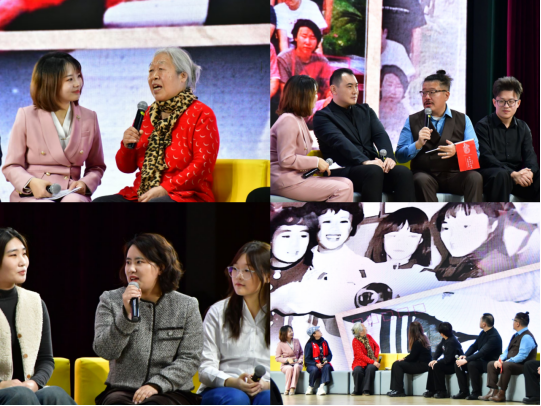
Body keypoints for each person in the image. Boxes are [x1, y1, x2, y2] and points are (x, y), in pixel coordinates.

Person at [94, 47, 219, 203]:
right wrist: (126, 146)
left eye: (161, 69)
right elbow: (125, 168)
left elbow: (202, 165)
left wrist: (166, 188)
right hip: (141, 194)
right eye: (151, 71)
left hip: (185, 195)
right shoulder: (146, 114)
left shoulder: (202, 114)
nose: (154, 76)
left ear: (182, 76)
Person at [93, 233, 203, 405]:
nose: (131, 269)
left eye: (139, 262)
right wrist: (126, 317)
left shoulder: (186, 305)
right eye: (128, 262)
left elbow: (190, 358)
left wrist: (156, 384)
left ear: (161, 267)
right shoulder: (110, 300)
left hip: (170, 391)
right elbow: (105, 351)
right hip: (122, 390)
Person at [2, 52, 106, 202]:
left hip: (71, 192)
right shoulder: (26, 115)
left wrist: (85, 183)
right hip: (34, 194)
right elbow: (11, 166)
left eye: (79, 76)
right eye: (70, 79)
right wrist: (31, 183)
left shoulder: (90, 117)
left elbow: (96, 166)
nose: (78, 83)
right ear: (50, 83)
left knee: (74, 202)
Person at [313, 68, 415, 202]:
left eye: (356, 86)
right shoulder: (322, 117)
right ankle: (369, 215)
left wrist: (389, 159)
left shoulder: (365, 110)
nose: (355, 91)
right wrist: (365, 161)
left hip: (373, 168)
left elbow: (381, 135)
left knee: (403, 172)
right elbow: (340, 142)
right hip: (342, 170)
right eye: (349, 87)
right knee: (373, 171)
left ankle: (405, 214)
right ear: (334, 89)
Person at [0, 228, 76, 405]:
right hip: (8, 394)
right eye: (13, 255)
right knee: (21, 396)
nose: (23, 262)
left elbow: (45, 360)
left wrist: (33, 383)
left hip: (26, 392)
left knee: (55, 394)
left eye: (24, 254)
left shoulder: (35, 302)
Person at [198, 242, 271, 405]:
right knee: (237, 398)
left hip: (266, 388)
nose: (238, 276)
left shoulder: (279, 315)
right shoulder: (218, 312)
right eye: (235, 269)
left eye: (247, 270)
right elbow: (205, 369)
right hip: (223, 388)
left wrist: (266, 385)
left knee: (268, 398)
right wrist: (233, 382)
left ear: (268, 276)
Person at [396, 70, 483, 202]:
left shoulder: (463, 119)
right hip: (426, 175)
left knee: (474, 177)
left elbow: (475, 154)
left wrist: (457, 151)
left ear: (446, 95)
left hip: (455, 175)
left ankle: (472, 214)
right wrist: (417, 145)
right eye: (424, 92)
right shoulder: (413, 120)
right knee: (420, 180)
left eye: (432, 92)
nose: (427, 97)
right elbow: (400, 156)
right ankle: (432, 216)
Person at [270, 75, 354, 202]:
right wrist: (316, 162)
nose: (317, 97)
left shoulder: (298, 119)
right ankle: (326, 213)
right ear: (303, 96)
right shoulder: (288, 120)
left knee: (347, 183)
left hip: (296, 177)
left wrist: (313, 166)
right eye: (314, 93)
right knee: (342, 189)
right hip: (284, 181)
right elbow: (286, 159)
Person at [475, 76, 540, 202]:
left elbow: (530, 156)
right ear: (494, 102)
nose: (506, 106)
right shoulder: (483, 126)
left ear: (518, 103)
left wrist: (529, 173)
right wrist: (512, 173)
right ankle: (499, 215)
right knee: (501, 175)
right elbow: (486, 157)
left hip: (517, 177)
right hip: (492, 176)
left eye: (511, 101)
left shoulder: (523, 127)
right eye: (501, 101)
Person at [430, 203, 515, 281]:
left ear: (492, 225)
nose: (453, 234)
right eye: (446, 227)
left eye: (465, 226)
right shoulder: (443, 268)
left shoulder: (500, 269)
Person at [481, 312, 538, 402]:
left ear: (517, 323)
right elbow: (506, 351)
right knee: (492, 364)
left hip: (523, 365)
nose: (513, 323)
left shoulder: (527, 336)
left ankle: (501, 393)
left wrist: (507, 361)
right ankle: (493, 391)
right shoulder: (515, 335)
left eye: (513, 321)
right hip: (512, 363)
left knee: (506, 365)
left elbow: (522, 356)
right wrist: (499, 360)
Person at [277, 19, 333, 100]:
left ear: (317, 41)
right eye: (304, 36)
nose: (307, 42)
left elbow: (329, 88)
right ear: (295, 37)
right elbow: (285, 93)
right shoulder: (284, 59)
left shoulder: (322, 61)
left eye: (312, 37)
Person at [453, 313, 503, 400]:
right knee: (458, 364)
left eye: (480, 321)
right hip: (481, 360)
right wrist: (465, 356)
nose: (479, 322)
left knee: (472, 364)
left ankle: (476, 392)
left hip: (490, 363)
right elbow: (474, 346)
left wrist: (467, 360)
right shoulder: (483, 333)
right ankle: (463, 392)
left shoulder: (494, 337)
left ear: (484, 324)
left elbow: (482, 352)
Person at [387, 321, 432, 397]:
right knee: (397, 364)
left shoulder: (418, 342)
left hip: (422, 365)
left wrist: (404, 359)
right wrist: (404, 359)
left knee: (397, 364)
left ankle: (399, 390)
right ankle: (396, 389)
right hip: (424, 364)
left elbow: (412, 357)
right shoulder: (423, 339)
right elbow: (413, 355)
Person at [424, 322, 464, 399]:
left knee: (437, 366)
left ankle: (442, 391)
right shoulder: (445, 339)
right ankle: (431, 390)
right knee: (431, 365)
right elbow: (439, 349)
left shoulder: (452, 341)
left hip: (454, 365)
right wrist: (434, 359)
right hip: (448, 362)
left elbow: (449, 359)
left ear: (442, 333)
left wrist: (437, 362)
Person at [379, 65, 411, 146]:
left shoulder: (406, 115)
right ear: (380, 86)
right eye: (389, 85)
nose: (393, 91)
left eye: (398, 86)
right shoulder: (371, 108)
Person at [350, 323, 380, 396]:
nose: (365, 327)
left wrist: (375, 357)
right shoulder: (355, 341)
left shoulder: (369, 337)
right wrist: (373, 362)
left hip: (371, 361)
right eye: (363, 327)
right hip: (359, 362)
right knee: (357, 370)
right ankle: (357, 390)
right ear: (360, 331)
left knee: (370, 368)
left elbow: (377, 347)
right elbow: (361, 356)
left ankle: (366, 390)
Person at [304, 326, 333, 396]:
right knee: (314, 369)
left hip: (323, 363)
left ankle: (321, 387)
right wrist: (316, 364)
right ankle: (310, 387)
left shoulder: (325, 342)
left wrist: (327, 360)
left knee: (327, 366)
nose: (320, 331)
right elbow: (307, 359)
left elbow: (330, 354)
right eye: (318, 330)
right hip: (312, 365)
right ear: (314, 334)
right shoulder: (309, 344)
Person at [275, 326, 304, 396]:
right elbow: (277, 358)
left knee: (296, 366)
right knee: (290, 368)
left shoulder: (297, 341)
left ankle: (292, 387)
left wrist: (300, 360)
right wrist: (287, 360)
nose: (292, 332)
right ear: (284, 333)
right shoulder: (280, 344)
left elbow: (301, 353)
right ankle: (287, 388)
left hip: (297, 363)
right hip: (286, 365)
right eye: (289, 331)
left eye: (292, 331)